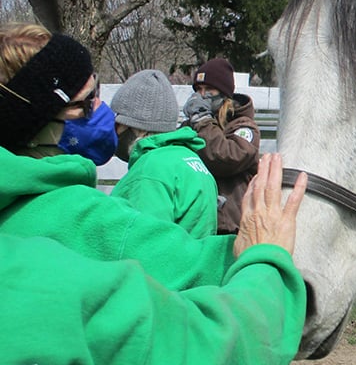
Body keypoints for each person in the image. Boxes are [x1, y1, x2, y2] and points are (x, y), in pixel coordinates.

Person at [0, 152, 311, 365]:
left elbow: (143, 245)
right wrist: (261, 259)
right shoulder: (190, 161)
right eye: (84, 104)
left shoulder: (151, 169)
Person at [1, 23, 234, 290]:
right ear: (32, 123)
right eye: (87, 102)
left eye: (98, 92)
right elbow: (175, 263)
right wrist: (258, 250)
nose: (104, 111)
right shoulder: (83, 216)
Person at [110, 68, 219, 237]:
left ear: (133, 125)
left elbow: (139, 242)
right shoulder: (188, 158)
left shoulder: (150, 170)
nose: (115, 131)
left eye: (117, 124)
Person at [0, 23, 116, 165]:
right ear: (31, 133)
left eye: (95, 91)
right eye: (85, 102)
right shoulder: (70, 188)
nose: (100, 106)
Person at [182, 58, 261, 234]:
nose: (202, 96)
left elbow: (227, 156)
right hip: (196, 225)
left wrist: (203, 121)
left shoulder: (244, 126)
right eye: (199, 90)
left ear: (224, 94)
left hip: (232, 228)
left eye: (209, 89)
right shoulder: (193, 125)